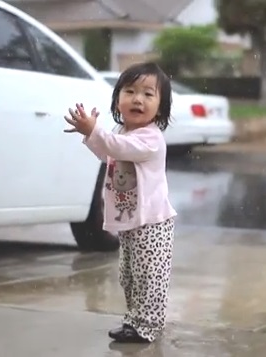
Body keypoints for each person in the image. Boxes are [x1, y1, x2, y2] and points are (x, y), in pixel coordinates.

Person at [63, 62, 177, 343]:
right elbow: (108, 153)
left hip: (153, 223)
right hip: (131, 221)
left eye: (148, 94)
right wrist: (89, 133)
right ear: (118, 100)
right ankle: (134, 320)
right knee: (129, 276)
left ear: (160, 108)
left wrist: (96, 131)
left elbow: (117, 148)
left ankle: (148, 325)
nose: (138, 99)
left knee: (150, 278)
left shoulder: (151, 138)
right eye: (130, 91)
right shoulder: (121, 133)